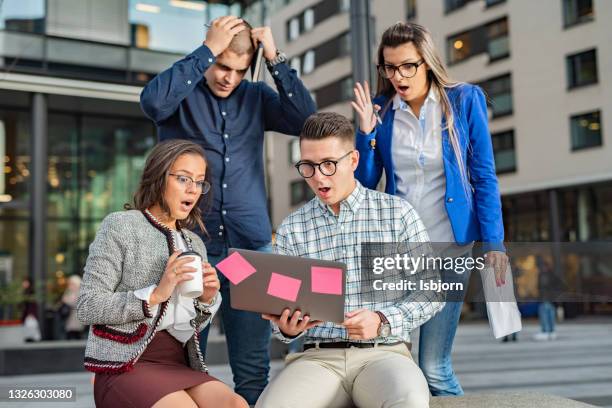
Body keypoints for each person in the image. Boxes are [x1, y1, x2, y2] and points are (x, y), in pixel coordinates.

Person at [140, 15, 316, 404]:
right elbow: (151, 102)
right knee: (184, 364)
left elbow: (307, 120)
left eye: (238, 70)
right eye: (222, 66)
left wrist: (275, 57)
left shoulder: (256, 97)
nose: (229, 78)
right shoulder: (181, 95)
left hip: (248, 253)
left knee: (253, 369)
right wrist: (206, 51)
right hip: (190, 251)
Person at [351, 22, 508, 396]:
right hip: (397, 250)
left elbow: (484, 176)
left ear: (427, 61)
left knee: (434, 367)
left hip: (450, 246)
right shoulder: (383, 110)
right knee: (392, 361)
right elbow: (366, 183)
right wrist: (366, 133)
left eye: (408, 66)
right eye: (389, 67)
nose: (398, 76)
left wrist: (494, 243)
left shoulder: (463, 100)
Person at [256, 112, 444, 408]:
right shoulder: (293, 227)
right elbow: (280, 315)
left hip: (384, 353)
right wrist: (287, 328)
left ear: (353, 161)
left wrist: (382, 320)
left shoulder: (397, 214)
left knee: (409, 401)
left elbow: (432, 291)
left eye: (329, 164)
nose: (318, 176)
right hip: (316, 358)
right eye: (308, 166)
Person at [76, 140, 247, 408]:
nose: (193, 189)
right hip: (125, 362)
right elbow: (88, 306)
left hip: (176, 362)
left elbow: (192, 326)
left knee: (236, 404)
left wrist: (207, 300)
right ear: (158, 176)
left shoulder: (195, 243)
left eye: (200, 182)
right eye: (183, 179)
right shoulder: (120, 226)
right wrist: (154, 294)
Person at [61, 275, 85, 340]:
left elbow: (76, 303)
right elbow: (63, 300)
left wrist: (67, 301)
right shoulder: (68, 291)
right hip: (69, 316)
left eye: (72, 284)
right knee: (69, 332)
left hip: (77, 316)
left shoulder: (80, 292)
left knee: (77, 333)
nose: (70, 285)